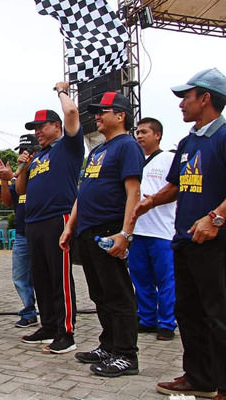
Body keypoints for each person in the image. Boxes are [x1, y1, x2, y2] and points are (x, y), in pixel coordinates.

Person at [134, 68, 226, 399]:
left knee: (219, 314)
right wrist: (149, 202)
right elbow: (175, 186)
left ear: (206, 98)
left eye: (186, 97)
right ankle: (199, 377)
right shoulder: (188, 142)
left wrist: (215, 218)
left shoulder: (224, 135)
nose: (181, 104)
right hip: (185, 240)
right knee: (188, 312)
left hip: (215, 243)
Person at [60, 91, 143, 377]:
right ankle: (108, 345)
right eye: (96, 111)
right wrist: (70, 226)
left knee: (118, 294)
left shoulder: (127, 146)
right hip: (87, 231)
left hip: (109, 231)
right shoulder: (97, 150)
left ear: (120, 116)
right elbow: (83, 193)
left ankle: (126, 355)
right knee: (100, 294)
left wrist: (125, 234)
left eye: (103, 111)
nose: (97, 115)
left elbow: (134, 192)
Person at [16, 82, 84, 354]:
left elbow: (72, 115)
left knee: (60, 277)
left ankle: (66, 333)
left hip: (59, 217)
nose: (37, 132)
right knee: (41, 276)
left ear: (57, 126)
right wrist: (22, 167)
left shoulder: (68, 146)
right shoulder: (39, 156)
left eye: (41, 126)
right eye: (34, 128)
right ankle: (48, 325)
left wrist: (62, 92)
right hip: (34, 222)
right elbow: (21, 190)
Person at [129, 117, 177, 341]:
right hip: (138, 230)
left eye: (144, 132)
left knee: (166, 280)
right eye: (137, 132)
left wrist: (154, 200)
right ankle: (147, 318)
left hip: (162, 231)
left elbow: (175, 188)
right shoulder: (134, 160)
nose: (139, 136)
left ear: (157, 135)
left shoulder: (169, 158)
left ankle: (167, 322)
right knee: (141, 278)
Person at [0, 133, 41, 329]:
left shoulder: (43, 173)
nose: (24, 155)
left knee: (43, 275)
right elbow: (6, 201)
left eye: (28, 151)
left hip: (42, 231)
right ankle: (29, 312)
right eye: (21, 151)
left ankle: (51, 314)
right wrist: (6, 179)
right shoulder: (18, 177)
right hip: (22, 233)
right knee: (20, 276)